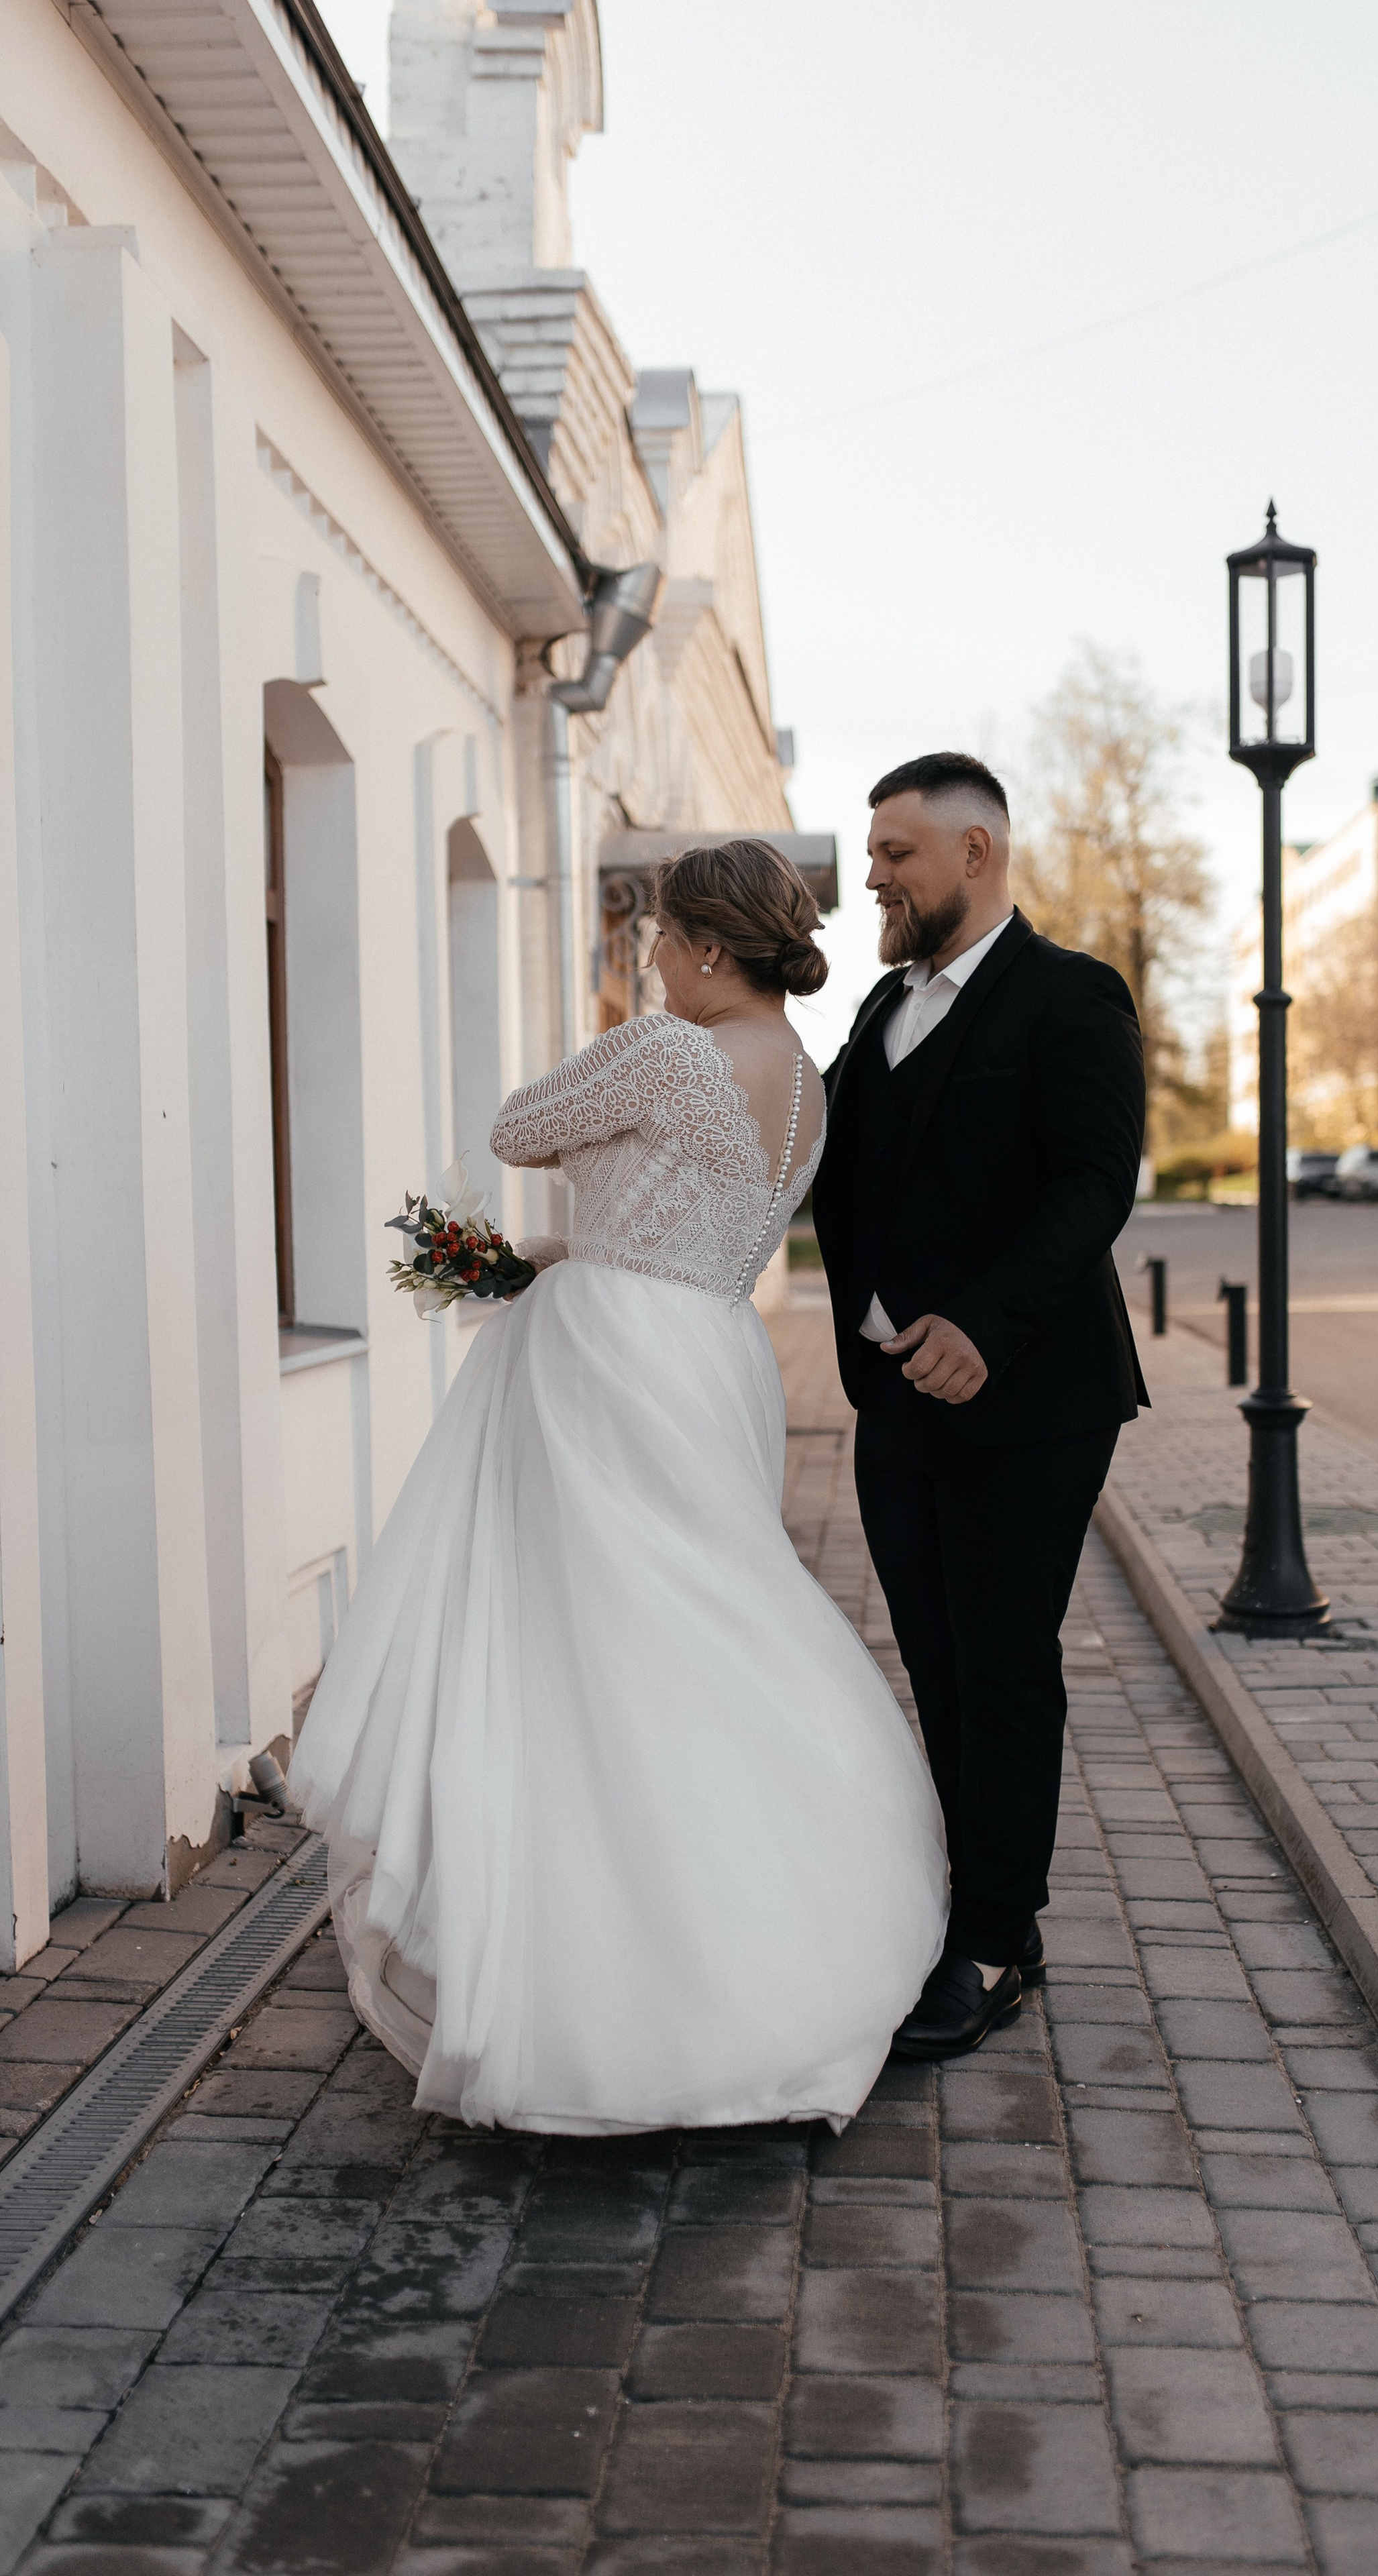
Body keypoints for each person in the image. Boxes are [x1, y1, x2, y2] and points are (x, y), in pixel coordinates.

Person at [290, 839, 947, 2135]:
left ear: (708, 948)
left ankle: (593, 1974)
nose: (646, 957)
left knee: (582, 1640)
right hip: (710, 1352)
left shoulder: (668, 1046)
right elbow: (685, 1216)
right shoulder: (810, 1084)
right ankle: (765, 1942)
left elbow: (516, 1127)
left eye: (659, 938)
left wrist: (626, 1058)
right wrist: (574, 1248)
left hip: (610, 1359)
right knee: (698, 1623)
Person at [814, 753, 1147, 2061]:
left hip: (1030, 1400)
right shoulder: (877, 1011)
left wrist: (985, 1328)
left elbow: (1090, 1184)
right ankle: (974, 1910)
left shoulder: (1068, 998)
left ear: (974, 854)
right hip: (894, 1401)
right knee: (938, 1665)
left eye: (894, 851)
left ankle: (998, 1941)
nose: (874, 874)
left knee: (1002, 1663)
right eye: (873, 849)